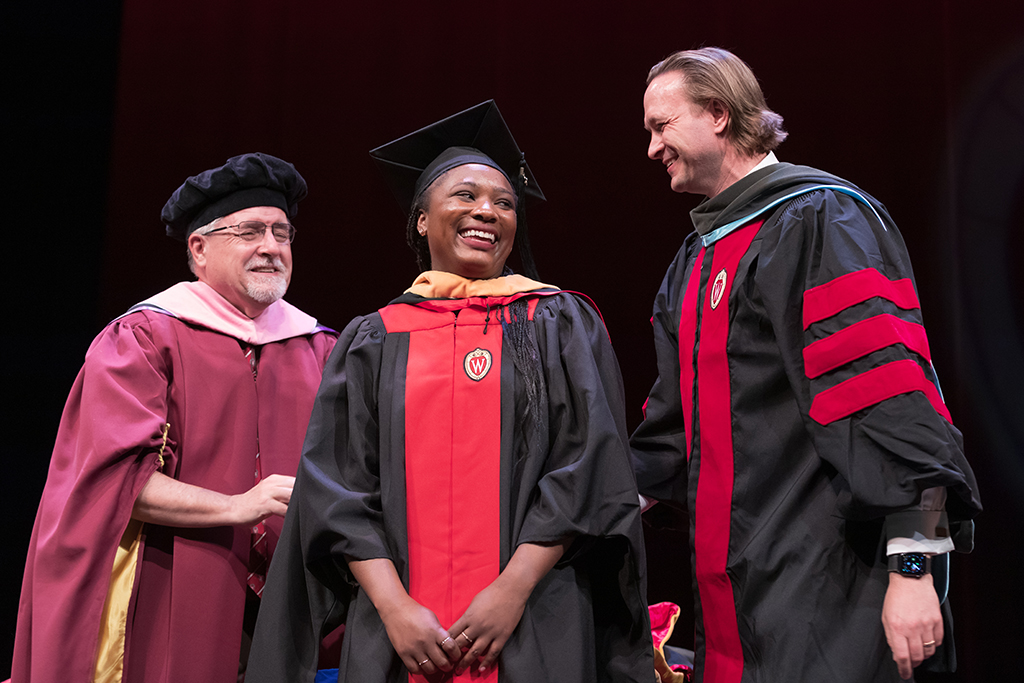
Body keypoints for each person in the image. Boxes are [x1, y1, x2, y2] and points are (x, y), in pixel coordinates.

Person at [246, 101, 653, 683]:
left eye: (505, 202)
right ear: (421, 219)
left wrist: (511, 591)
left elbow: (589, 468)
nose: (487, 210)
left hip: (535, 617)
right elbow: (339, 488)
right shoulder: (374, 337)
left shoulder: (557, 322)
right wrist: (394, 606)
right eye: (464, 195)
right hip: (401, 632)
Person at [630, 48, 982, 682]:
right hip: (739, 595)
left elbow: (891, 402)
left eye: (662, 125)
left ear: (716, 114)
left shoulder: (816, 218)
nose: (652, 147)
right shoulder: (693, 263)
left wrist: (913, 571)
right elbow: (670, 434)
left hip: (834, 586)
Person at [12, 153, 339, 683]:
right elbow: (114, 482)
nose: (272, 247)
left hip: (299, 604)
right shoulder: (143, 339)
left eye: (282, 232)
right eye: (250, 231)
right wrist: (240, 506)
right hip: (172, 579)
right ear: (199, 248)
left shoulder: (323, 348)